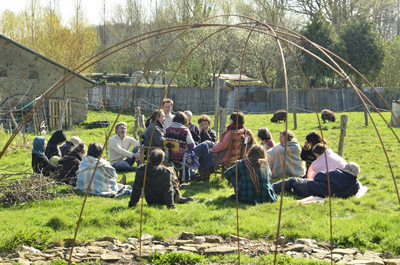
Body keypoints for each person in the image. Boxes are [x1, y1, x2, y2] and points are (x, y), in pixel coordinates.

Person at [128, 149, 194, 209]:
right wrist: (171, 206)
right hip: (165, 200)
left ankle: (178, 198)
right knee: (171, 170)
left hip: (151, 200)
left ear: (149, 158)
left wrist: (132, 204)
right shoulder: (166, 172)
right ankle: (178, 197)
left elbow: (136, 189)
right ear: (161, 161)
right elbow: (168, 190)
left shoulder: (141, 170)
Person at [194, 112, 246, 181]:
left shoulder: (232, 132)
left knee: (204, 146)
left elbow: (223, 145)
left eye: (230, 119)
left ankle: (194, 158)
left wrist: (213, 148)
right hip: (232, 153)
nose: (229, 120)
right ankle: (192, 156)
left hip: (224, 154)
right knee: (206, 143)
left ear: (233, 120)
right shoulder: (242, 130)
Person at [272, 162, 361, 199]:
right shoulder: (356, 185)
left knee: (292, 180)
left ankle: (271, 188)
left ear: (348, 169)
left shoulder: (337, 174)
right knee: (296, 184)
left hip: (312, 189)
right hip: (325, 194)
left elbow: (318, 177)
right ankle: (287, 190)